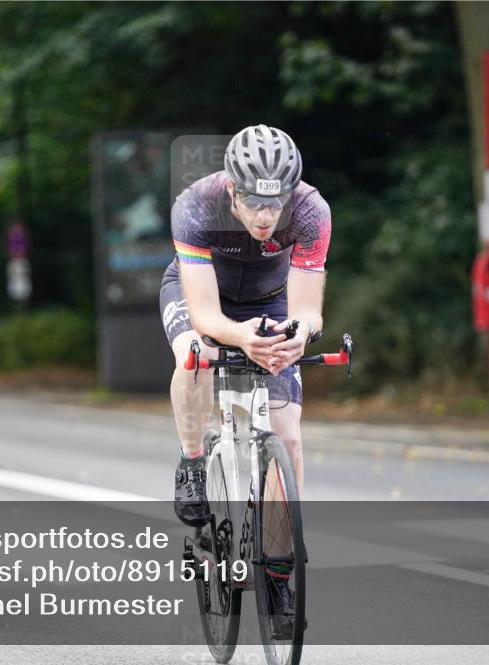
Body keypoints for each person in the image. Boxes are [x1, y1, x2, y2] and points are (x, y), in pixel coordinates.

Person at [160, 125, 330, 634]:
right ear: (232, 189)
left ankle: (279, 573)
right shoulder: (196, 206)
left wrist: (298, 335)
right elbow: (207, 316)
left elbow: (307, 310)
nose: (265, 216)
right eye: (254, 203)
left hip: (270, 300)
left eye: (274, 205)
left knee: (289, 438)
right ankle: (193, 462)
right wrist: (238, 338)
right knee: (193, 353)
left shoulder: (311, 211)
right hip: (203, 299)